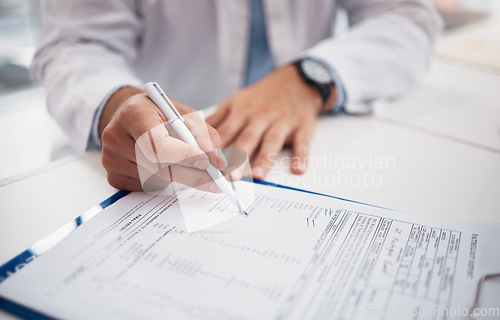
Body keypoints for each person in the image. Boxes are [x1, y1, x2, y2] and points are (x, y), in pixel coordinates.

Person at [32, 0, 441, 192]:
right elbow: (75, 45)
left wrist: (310, 77)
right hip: (145, 166)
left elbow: (407, 17)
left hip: (301, 146)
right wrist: (119, 105)